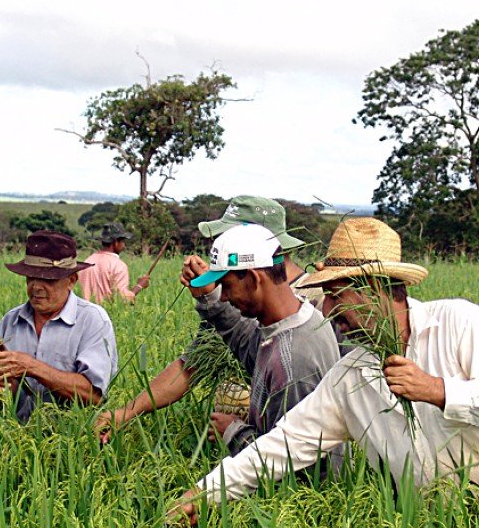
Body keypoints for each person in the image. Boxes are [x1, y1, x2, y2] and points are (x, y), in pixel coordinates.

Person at [170, 218, 479, 526]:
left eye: (337, 295)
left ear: (378, 288)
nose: (327, 311)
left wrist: (438, 390)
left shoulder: (462, 324)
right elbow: (282, 445)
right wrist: (206, 493)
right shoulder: (351, 377)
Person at [94, 195, 325, 437]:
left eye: (227, 239)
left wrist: (238, 433)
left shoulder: (315, 302)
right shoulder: (235, 299)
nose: (219, 245)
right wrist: (127, 412)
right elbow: (193, 363)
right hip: (244, 440)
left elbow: (303, 439)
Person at [183, 223, 341, 469]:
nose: (223, 296)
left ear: (254, 279)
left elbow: (296, 466)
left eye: (226, 286)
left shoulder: (293, 359)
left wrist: (233, 432)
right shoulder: (299, 317)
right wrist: (209, 297)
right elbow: (248, 342)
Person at [0, 230, 117, 423]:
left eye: (48, 279)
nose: (36, 287)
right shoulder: (10, 321)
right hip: (14, 435)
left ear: (71, 280)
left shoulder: (93, 321)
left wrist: (31, 367)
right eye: (30, 277)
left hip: (72, 436)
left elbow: (93, 395)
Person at [77, 221, 150, 304]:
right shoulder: (118, 265)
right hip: (107, 311)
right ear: (116, 242)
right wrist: (139, 286)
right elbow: (123, 299)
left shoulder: (87, 261)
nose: (124, 245)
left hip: (85, 310)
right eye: (123, 241)